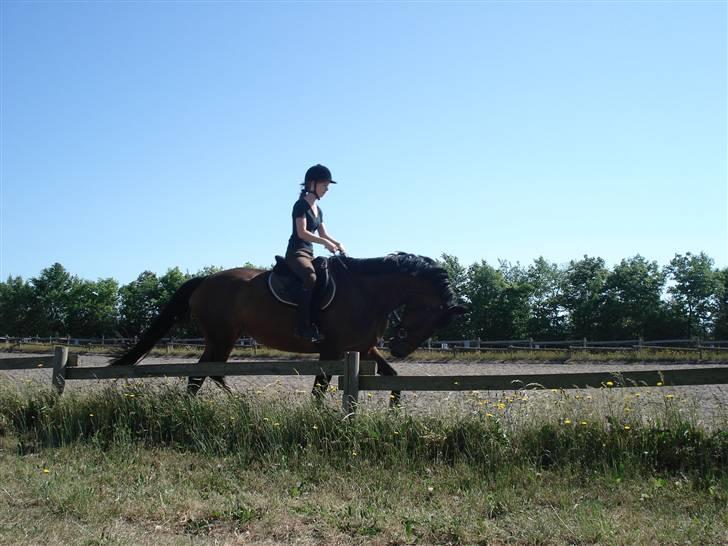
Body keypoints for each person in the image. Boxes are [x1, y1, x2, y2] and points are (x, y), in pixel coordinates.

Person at [285, 164, 347, 342]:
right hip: (296, 253)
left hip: (309, 254)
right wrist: (326, 243)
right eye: (324, 185)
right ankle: (302, 326)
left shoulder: (318, 210)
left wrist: (338, 243)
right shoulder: (300, 205)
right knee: (310, 277)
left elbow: (323, 234)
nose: (327, 189)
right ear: (311, 184)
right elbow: (302, 233)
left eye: (327, 186)